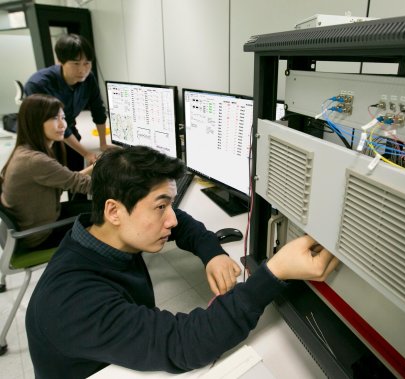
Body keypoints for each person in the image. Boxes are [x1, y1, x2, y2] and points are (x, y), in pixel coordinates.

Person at [25, 145, 338, 379]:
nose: (172, 219)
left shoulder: (98, 234)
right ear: (114, 211)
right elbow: (185, 343)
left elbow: (184, 223)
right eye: (161, 206)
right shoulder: (72, 301)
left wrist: (212, 252)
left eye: (170, 203)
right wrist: (274, 273)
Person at [0, 94, 93, 249]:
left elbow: (66, 180)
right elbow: (86, 185)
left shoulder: (26, 149)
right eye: (54, 118)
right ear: (35, 122)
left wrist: (94, 167)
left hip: (33, 225)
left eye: (63, 117)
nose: (62, 125)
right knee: (109, 215)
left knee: (93, 206)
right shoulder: (35, 161)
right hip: (39, 235)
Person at [24, 33, 109, 172]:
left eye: (87, 63)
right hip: (43, 138)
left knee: (76, 174)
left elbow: (98, 109)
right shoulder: (39, 84)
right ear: (60, 61)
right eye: (76, 63)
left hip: (68, 130)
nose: (82, 70)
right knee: (53, 179)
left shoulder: (88, 78)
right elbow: (56, 124)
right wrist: (86, 153)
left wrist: (103, 144)